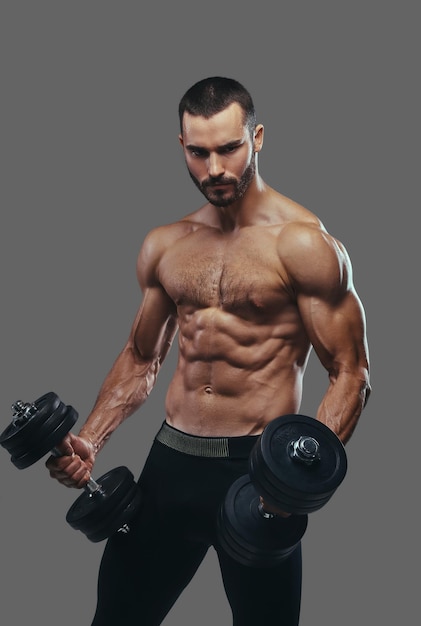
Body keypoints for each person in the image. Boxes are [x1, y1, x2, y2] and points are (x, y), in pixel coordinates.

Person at [46, 76, 371, 625]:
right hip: (170, 466)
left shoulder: (303, 243)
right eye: (199, 152)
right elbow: (140, 358)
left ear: (257, 137)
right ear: (182, 147)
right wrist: (90, 440)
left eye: (228, 148)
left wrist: (293, 484)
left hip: (256, 474)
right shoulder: (167, 245)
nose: (214, 168)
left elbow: (350, 373)